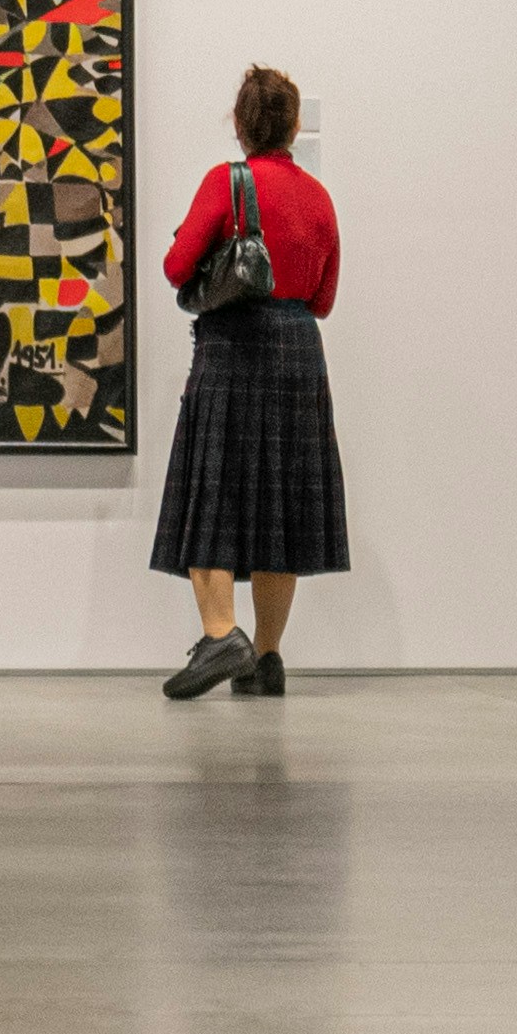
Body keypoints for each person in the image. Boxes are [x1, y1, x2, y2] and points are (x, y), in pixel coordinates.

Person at [149, 65, 349, 701]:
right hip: (299, 354)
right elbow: (324, 299)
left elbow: (176, 266)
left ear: (238, 125)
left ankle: (220, 636)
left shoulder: (226, 183)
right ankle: (266, 657)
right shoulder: (319, 198)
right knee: (280, 504)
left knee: (213, 491)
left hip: (233, 348)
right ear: (294, 125)